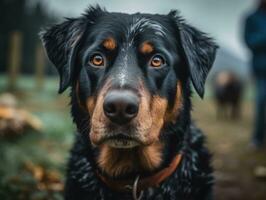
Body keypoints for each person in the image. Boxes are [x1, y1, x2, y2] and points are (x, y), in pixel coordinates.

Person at [244, 0, 266, 148]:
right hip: (261, 69)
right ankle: (258, 138)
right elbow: (249, 42)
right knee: (261, 102)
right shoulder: (251, 18)